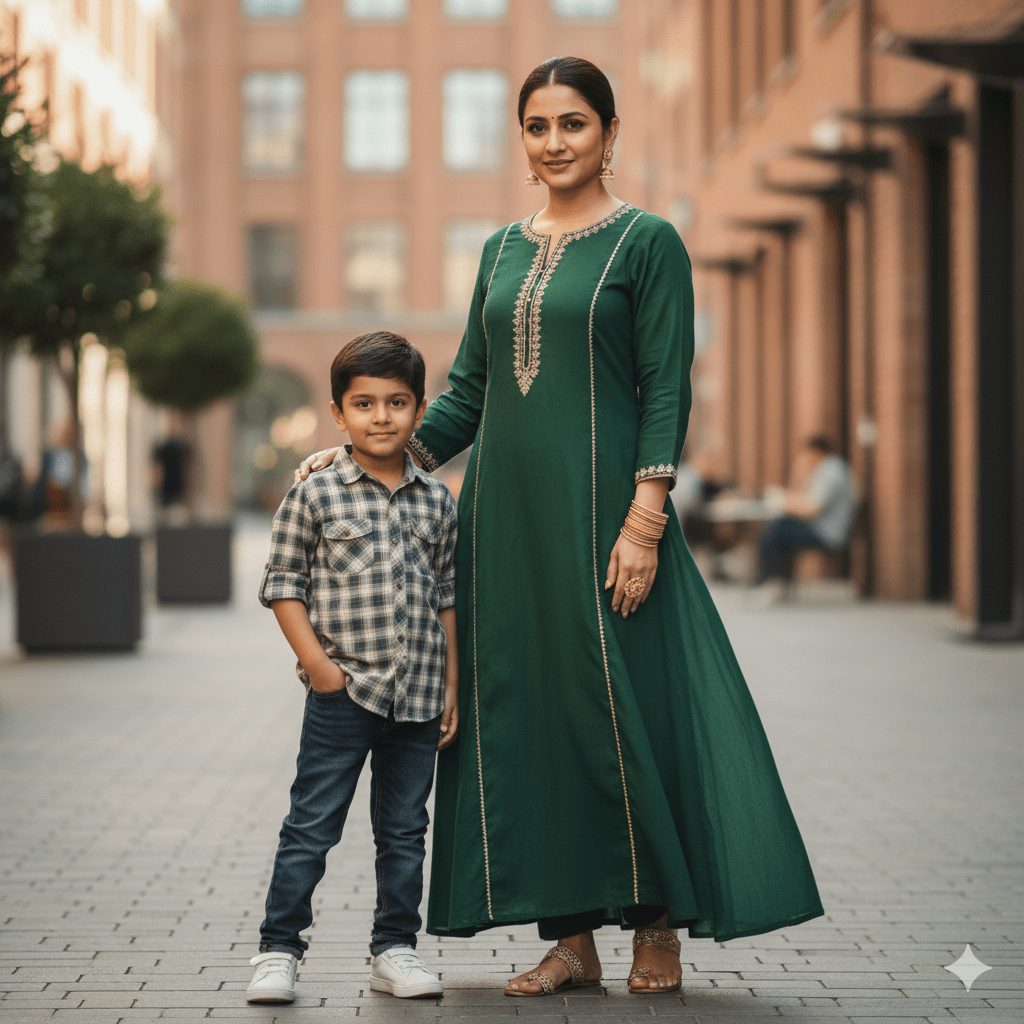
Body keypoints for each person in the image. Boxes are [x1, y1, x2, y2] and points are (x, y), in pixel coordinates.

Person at [299, 57, 823, 997]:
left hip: (604, 515)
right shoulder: (501, 250)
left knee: (629, 708)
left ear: (610, 133)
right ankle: (571, 938)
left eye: (573, 124)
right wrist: (363, 460)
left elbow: (666, 384)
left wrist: (646, 516)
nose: (554, 143)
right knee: (532, 716)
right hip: (503, 525)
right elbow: (466, 392)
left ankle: (657, 924)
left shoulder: (648, 242)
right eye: (537, 127)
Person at [247, 332, 460, 1004]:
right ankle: (278, 951)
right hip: (342, 695)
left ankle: (394, 950)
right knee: (312, 825)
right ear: (338, 412)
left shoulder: (437, 502)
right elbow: (283, 583)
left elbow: (449, 595)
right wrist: (318, 667)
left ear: (419, 410)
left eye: (397, 402)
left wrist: (452, 683)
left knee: (404, 831)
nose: (380, 416)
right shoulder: (316, 494)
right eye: (363, 403)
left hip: (420, 695)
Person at [754, 435, 857, 600]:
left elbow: (810, 509)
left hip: (826, 534)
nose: (804, 459)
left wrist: (783, 500)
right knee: (778, 528)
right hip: (818, 528)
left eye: (806, 455)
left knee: (775, 532)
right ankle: (775, 582)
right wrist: (799, 473)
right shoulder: (825, 470)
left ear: (815, 452)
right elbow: (801, 497)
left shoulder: (831, 472)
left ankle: (770, 583)